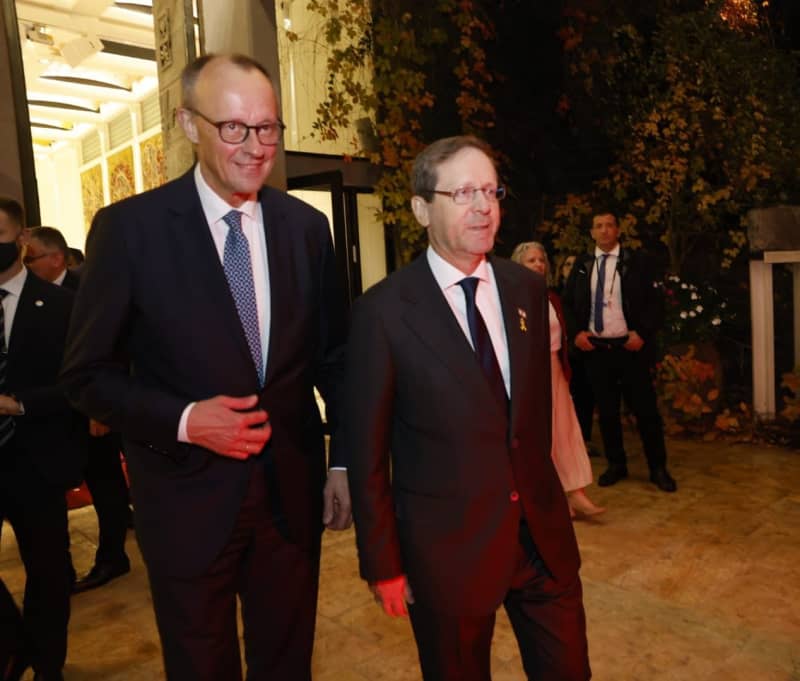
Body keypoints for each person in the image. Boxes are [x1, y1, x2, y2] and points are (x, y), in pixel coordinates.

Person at [60, 53, 351, 680]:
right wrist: (187, 420)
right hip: (184, 504)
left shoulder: (306, 228)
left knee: (287, 665)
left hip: (289, 501)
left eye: (267, 127)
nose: (256, 146)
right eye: (234, 127)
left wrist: (344, 462)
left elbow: (335, 361)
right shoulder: (129, 230)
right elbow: (85, 375)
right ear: (189, 124)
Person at [344, 136, 590, 681]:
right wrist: (383, 562)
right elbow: (366, 454)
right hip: (448, 556)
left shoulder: (526, 290)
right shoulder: (382, 313)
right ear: (420, 209)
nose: (483, 206)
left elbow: (527, 422)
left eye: (490, 191)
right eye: (462, 193)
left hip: (541, 544)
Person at [0, 197, 86, 681]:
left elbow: (80, 384)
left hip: (36, 459)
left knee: (48, 572)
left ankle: (47, 665)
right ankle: (14, 646)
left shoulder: (62, 306)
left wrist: (19, 404)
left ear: (21, 239)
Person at [25, 226, 132, 592]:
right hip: (51, 410)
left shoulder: (87, 291)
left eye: (30, 258)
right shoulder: (26, 295)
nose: (24, 265)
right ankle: (59, 569)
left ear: (57, 259)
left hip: (91, 410)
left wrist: (99, 409)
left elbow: (111, 351)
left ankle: (113, 558)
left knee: (105, 484)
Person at [561, 211, 677, 492]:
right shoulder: (583, 264)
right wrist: (577, 334)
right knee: (607, 412)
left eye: (609, 225)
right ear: (592, 232)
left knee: (645, 411)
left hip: (631, 349)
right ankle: (616, 464)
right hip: (597, 350)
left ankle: (658, 468)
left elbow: (656, 303)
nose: (604, 230)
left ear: (618, 230)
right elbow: (568, 303)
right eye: (598, 226)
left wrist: (642, 333)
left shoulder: (637, 263)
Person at [510, 241, 604, 517]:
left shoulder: (551, 298)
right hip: (528, 375)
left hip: (554, 370)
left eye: (542, 260)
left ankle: (576, 493)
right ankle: (551, 498)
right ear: (518, 265)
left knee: (565, 431)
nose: (539, 264)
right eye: (531, 260)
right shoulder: (511, 299)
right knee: (539, 436)